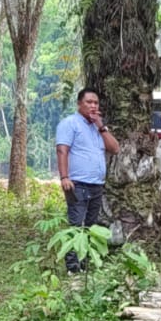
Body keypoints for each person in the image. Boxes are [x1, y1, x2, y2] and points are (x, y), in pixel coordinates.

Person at [55, 87, 118, 272]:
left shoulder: (98, 128)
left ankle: (85, 263)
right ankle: (73, 267)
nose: (93, 106)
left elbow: (115, 148)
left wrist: (101, 126)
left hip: (96, 185)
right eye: (89, 102)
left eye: (96, 103)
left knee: (91, 226)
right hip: (77, 184)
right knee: (76, 225)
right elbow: (62, 150)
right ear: (79, 104)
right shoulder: (70, 124)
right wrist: (64, 177)